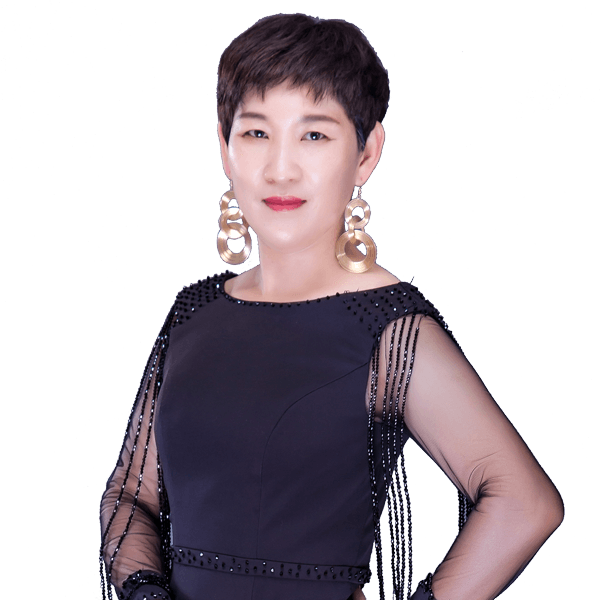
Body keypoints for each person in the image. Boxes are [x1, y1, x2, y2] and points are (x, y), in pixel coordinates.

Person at [98, 13, 564, 600]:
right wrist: (145, 593)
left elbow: (524, 503)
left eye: (314, 135)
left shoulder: (387, 327)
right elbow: (130, 494)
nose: (280, 169)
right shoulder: (193, 310)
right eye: (256, 133)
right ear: (224, 146)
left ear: (366, 153)